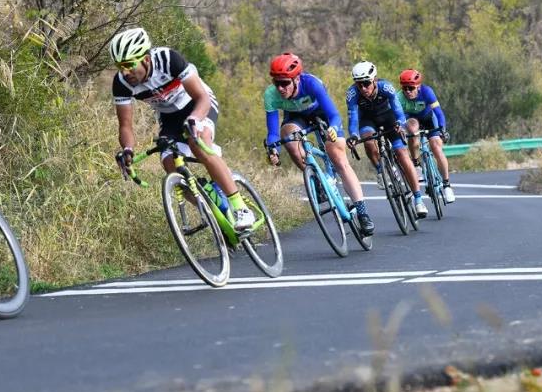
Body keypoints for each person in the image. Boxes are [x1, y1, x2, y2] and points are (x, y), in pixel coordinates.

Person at [110, 27, 254, 232]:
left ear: (146, 59)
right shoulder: (122, 83)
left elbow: (202, 97)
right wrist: (127, 150)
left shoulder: (169, 60)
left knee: (198, 144)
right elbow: (125, 126)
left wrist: (194, 119)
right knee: (170, 164)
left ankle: (240, 208)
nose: (125, 71)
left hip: (197, 105)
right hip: (169, 117)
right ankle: (216, 212)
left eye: (129, 64)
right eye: (119, 66)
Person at [263, 53, 374, 236]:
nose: (281, 88)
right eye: (277, 83)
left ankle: (363, 214)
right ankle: (316, 179)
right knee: (289, 139)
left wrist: (333, 128)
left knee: (339, 158)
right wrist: (274, 148)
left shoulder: (311, 83)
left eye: (285, 83)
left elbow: (334, 115)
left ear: (297, 79)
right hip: (296, 118)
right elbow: (273, 132)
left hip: (322, 115)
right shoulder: (270, 95)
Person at [344, 61, 428, 219]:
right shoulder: (352, 94)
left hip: (388, 118)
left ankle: (418, 199)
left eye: (366, 83)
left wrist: (400, 124)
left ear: (374, 80)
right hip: (367, 121)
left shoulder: (386, 87)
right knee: (368, 142)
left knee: (402, 154)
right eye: (358, 84)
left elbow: (398, 111)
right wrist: (353, 135)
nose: (363, 88)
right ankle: (380, 171)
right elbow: (353, 118)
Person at [398, 68, 455, 204]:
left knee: (436, 147)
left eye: (411, 88)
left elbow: (439, 112)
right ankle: (416, 164)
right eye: (405, 88)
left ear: (418, 86)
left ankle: (447, 185)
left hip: (429, 118)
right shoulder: (399, 97)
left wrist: (442, 129)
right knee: (412, 133)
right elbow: (397, 118)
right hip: (412, 120)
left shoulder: (427, 92)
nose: (407, 91)